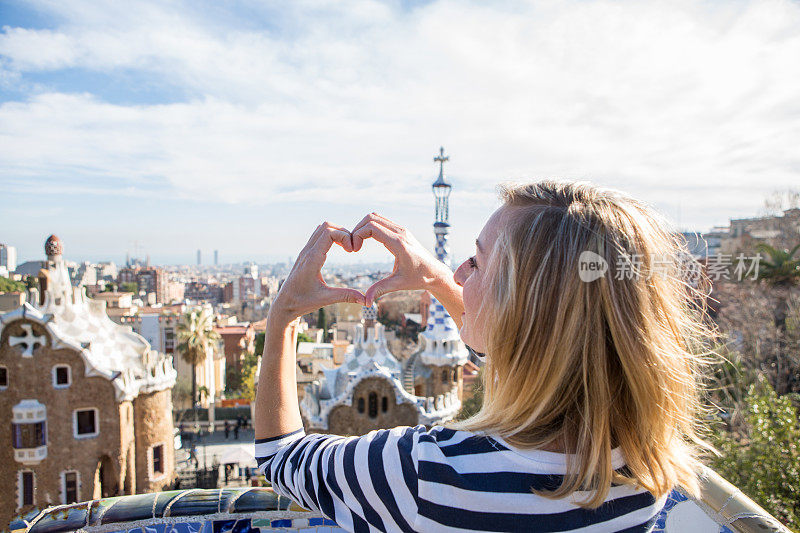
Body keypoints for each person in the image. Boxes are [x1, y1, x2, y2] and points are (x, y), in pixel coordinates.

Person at [254, 181, 716, 532]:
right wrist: (436, 280)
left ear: (518, 309)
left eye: (475, 262)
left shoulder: (425, 474)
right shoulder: (647, 469)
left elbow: (279, 456)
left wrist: (284, 317)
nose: (458, 272)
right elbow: (534, 355)